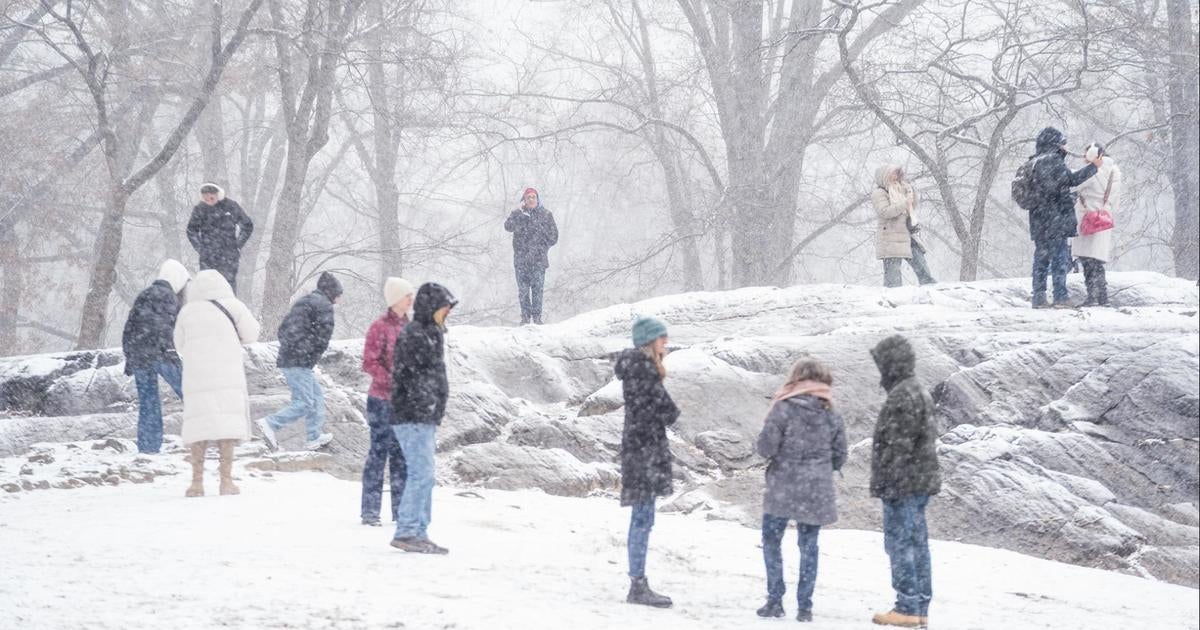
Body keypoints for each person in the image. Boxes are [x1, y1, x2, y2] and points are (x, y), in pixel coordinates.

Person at [755, 358, 847, 622]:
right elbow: (841, 453)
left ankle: (775, 600)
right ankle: (804, 607)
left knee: (772, 542)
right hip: (815, 489)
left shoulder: (782, 408)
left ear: (795, 378)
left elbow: (766, 448)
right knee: (809, 546)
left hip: (782, 486)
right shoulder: (831, 412)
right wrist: (822, 468)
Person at [868, 335, 941, 628]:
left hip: (903, 485)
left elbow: (898, 446)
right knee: (918, 544)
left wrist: (889, 484)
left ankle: (906, 605)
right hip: (919, 482)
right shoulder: (918, 391)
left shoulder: (901, 395)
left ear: (890, 363)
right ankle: (920, 607)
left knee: (900, 545)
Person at [173, 269, 261, 497]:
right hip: (227, 373)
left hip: (197, 376)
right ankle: (226, 481)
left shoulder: (187, 312)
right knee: (227, 427)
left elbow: (179, 344)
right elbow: (252, 334)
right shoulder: (234, 306)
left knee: (198, 427)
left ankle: (196, 483)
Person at [614, 316, 679, 608]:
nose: (666, 342)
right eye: (661, 338)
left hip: (641, 452)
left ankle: (638, 581)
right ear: (650, 341)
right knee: (642, 519)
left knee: (644, 518)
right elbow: (661, 411)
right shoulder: (643, 371)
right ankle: (637, 584)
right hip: (644, 454)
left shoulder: (640, 370)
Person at [389, 282, 457, 554]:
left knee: (424, 475)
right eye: (443, 309)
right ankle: (407, 530)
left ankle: (419, 530)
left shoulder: (431, 333)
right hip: (413, 415)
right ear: (432, 309)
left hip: (423, 415)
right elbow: (411, 377)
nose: (446, 314)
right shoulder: (417, 334)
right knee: (420, 474)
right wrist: (425, 403)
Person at [256, 272, 341, 452]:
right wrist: (308, 354)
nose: (338, 300)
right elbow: (322, 337)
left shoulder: (305, 302)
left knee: (316, 396)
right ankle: (270, 424)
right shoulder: (324, 305)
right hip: (299, 360)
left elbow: (283, 330)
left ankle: (314, 436)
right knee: (304, 402)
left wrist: (295, 348)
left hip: (292, 357)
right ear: (332, 293)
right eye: (338, 295)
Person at [359, 277, 414, 526]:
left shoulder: (410, 327)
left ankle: (400, 511)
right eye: (407, 295)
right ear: (395, 299)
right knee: (378, 454)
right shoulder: (379, 327)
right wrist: (392, 381)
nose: (411, 300)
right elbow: (369, 362)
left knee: (401, 457)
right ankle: (370, 511)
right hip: (381, 400)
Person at [1027, 127, 1102, 308]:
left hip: (1039, 220)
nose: (1066, 147)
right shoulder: (1053, 160)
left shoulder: (1033, 162)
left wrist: (1067, 196)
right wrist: (1094, 167)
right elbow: (1071, 180)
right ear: (1056, 143)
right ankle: (1060, 296)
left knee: (1041, 260)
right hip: (1056, 220)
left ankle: (1039, 297)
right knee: (1059, 260)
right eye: (1063, 142)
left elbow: (1049, 189)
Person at [122, 259, 190, 454]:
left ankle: (148, 447)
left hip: (140, 356)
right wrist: (171, 352)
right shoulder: (168, 296)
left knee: (148, 402)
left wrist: (130, 357)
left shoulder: (143, 295)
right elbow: (165, 327)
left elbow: (129, 328)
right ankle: (210, 433)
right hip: (160, 354)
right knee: (190, 392)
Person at [1071, 143, 1121, 307]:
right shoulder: (1115, 171)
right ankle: (1103, 297)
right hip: (1104, 219)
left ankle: (1092, 296)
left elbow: (1074, 184)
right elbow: (1115, 199)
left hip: (1088, 218)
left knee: (1087, 260)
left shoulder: (1092, 172)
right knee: (1097, 260)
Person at [873, 165, 935, 288]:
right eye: (892, 174)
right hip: (890, 237)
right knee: (893, 278)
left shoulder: (901, 189)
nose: (896, 177)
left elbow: (911, 207)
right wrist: (905, 203)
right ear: (884, 176)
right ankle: (893, 301)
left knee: (921, 266)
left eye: (897, 174)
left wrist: (911, 193)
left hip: (907, 234)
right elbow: (885, 212)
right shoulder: (879, 193)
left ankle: (932, 292)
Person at [503, 188, 558, 325]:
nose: (531, 199)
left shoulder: (546, 214)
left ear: (538, 199)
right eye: (528, 197)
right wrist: (519, 217)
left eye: (533, 197)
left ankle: (537, 318)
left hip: (539, 261)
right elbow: (508, 226)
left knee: (537, 290)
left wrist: (542, 246)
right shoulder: (517, 213)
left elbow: (554, 236)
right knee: (523, 291)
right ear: (524, 200)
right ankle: (525, 318)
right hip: (521, 261)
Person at [186, 183, 253, 294]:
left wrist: (237, 246)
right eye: (205, 198)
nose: (209, 200)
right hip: (207, 259)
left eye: (211, 197)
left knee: (228, 290)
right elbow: (191, 230)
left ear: (218, 195)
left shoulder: (231, 206)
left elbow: (247, 225)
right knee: (208, 290)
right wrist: (201, 248)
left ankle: (228, 311)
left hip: (228, 258)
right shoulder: (200, 209)